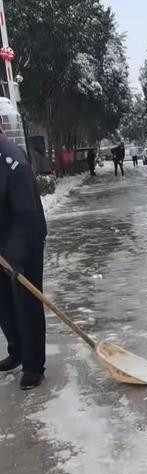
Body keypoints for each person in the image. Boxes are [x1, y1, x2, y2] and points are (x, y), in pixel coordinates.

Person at [0, 133, 47, 390]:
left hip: (25, 240)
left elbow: (26, 215)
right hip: (2, 239)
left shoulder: (13, 162)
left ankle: (33, 366)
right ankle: (17, 350)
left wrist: (15, 257)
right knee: (5, 303)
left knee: (26, 303)